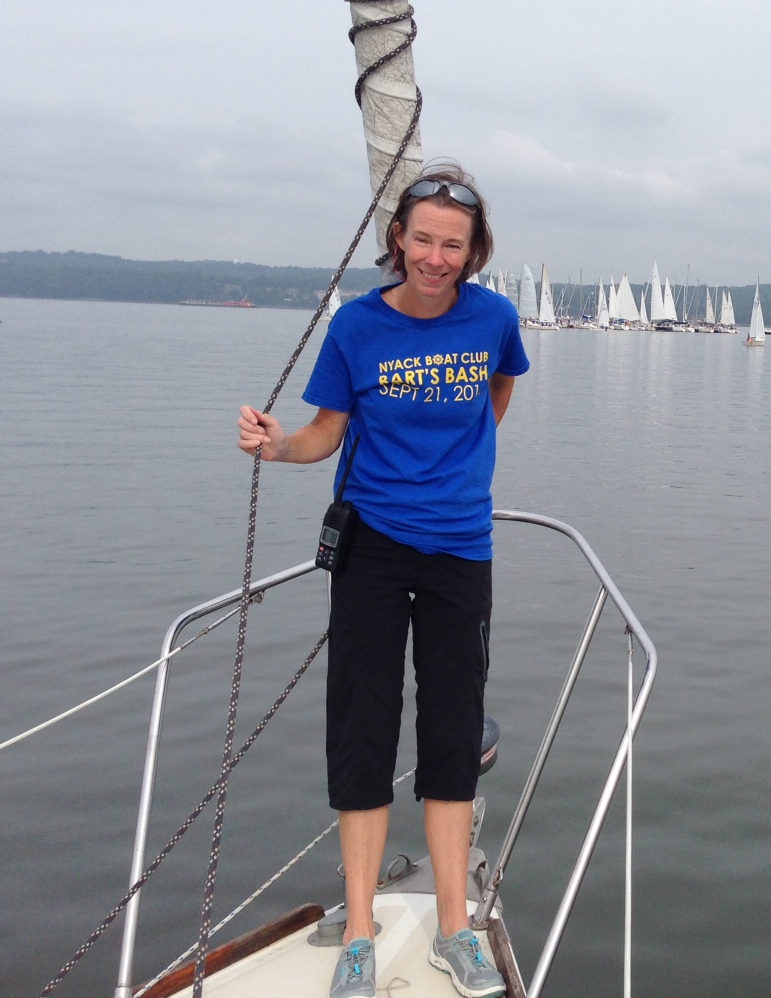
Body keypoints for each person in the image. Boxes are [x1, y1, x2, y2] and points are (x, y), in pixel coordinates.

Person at [237, 162, 526, 998]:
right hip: (372, 551)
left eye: (453, 245)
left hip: (460, 550)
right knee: (363, 730)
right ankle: (360, 932)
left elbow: (498, 392)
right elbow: (325, 432)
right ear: (398, 239)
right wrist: (275, 445)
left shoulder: (495, 319)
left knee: (451, 735)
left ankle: (455, 930)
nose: (436, 257)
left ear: (474, 252)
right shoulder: (357, 326)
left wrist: (453, 467)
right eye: (423, 239)